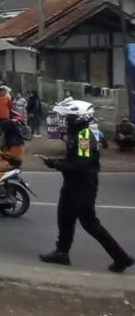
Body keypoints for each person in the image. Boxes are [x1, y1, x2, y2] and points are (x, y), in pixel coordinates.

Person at [40, 114, 133, 273]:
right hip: (73, 185)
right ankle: (62, 252)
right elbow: (74, 160)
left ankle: (121, 258)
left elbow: (80, 164)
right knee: (65, 218)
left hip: (82, 187)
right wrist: (55, 162)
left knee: (91, 225)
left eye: (69, 119)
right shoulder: (78, 135)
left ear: (78, 120)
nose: (66, 122)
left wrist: (56, 164)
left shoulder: (84, 136)